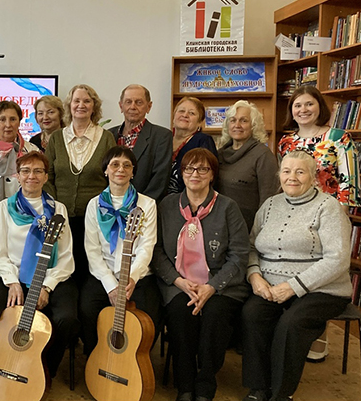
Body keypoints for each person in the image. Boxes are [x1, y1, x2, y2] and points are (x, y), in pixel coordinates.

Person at [241, 150, 352, 401]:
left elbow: (338, 259)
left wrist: (294, 286)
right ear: (279, 175)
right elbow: (251, 246)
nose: (292, 177)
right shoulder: (270, 205)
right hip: (270, 285)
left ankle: (281, 394)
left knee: (291, 324)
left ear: (313, 177)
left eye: (300, 172)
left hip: (321, 289)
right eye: (287, 171)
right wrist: (254, 276)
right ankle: (258, 389)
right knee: (252, 314)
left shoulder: (328, 207)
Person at [152, 148, 249, 401]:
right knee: (180, 315)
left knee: (214, 317)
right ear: (182, 173)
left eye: (203, 169)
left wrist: (212, 286)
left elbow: (239, 254)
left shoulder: (228, 207)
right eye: (189, 168)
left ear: (212, 174)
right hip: (177, 282)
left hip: (220, 284)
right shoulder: (167, 205)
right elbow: (156, 250)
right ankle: (185, 386)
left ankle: (205, 384)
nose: (195, 174)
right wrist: (179, 282)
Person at [0, 151, 78, 378]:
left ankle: (43, 370)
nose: (32, 176)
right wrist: (12, 283)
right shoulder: (4, 208)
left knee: (67, 319)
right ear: (17, 176)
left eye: (38, 171)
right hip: (15, 276)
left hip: (51, 277)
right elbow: (0, 255)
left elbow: (66, 257)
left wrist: (46, 286)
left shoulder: (58, 209)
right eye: (26, 171)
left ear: (46, 177)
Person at [277, 85, 360, 360]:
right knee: (295, 267)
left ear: (319, 107)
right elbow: (285, 181)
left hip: (328, 216)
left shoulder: (338, 138)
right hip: (295, 216)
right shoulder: (286, 142)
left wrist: (340, 216)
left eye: (309, 104)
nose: (303, 110)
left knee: (321, 272)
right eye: (297, 105)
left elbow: (349, 182)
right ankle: (294, 332)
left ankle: (318, 336)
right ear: (291, 111)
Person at [80, 146, 162, 355]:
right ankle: (96, 359)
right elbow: (92, 250)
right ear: (105, 170)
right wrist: (110, 286)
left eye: (127, 165)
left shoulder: (147, 204)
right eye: (115, 164)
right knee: (87, 311)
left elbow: (146, 246)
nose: (121, 169)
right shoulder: (94, 205)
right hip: (103, 274)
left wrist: (131, 277)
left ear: (133, 172)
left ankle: (133, 361)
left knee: (149, 318)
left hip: (137, 277)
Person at [44, 84, 116, 287]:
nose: (81, 105)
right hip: (61, 219)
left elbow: (112, 177)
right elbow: (47, 176)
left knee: (90, 272)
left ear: (94, 106)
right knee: (64, 272)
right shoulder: (57, 138)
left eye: (87, 101)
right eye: (76, 101)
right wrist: (55, 207)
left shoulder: (106, 138)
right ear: (69, 105)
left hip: (95, 219)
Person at [0, 101, 39, 297]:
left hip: (18, 217)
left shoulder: (31, 152)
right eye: (2, 119)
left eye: (13, 119)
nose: (8, 124)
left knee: (14, 261)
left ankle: (17, 297)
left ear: (20, 121)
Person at [217, 100, 279, 231]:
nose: (237, 125)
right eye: (233, 120)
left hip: (248, 230)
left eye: (244, 121)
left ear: (253, 126)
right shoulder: (219, 154)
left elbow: (269, 199)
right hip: (220, 226)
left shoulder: (263, 155)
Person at [109, 84, 173, 203]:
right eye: (128, 102)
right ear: (121, 106)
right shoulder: (109, 135)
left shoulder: (162, 136)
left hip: (145, 207)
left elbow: (160, 179)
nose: (133, 107)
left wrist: (140, 206)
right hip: (109, 206)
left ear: (149, 107)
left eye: (139, 102)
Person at [169, 97, 218, 195]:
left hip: (189, 199)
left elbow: (207, 176)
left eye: (191, 113)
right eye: (181, 111)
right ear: (173, 117)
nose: (185, 115)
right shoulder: (164, 139)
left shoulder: (203, 141)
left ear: (200, 122)